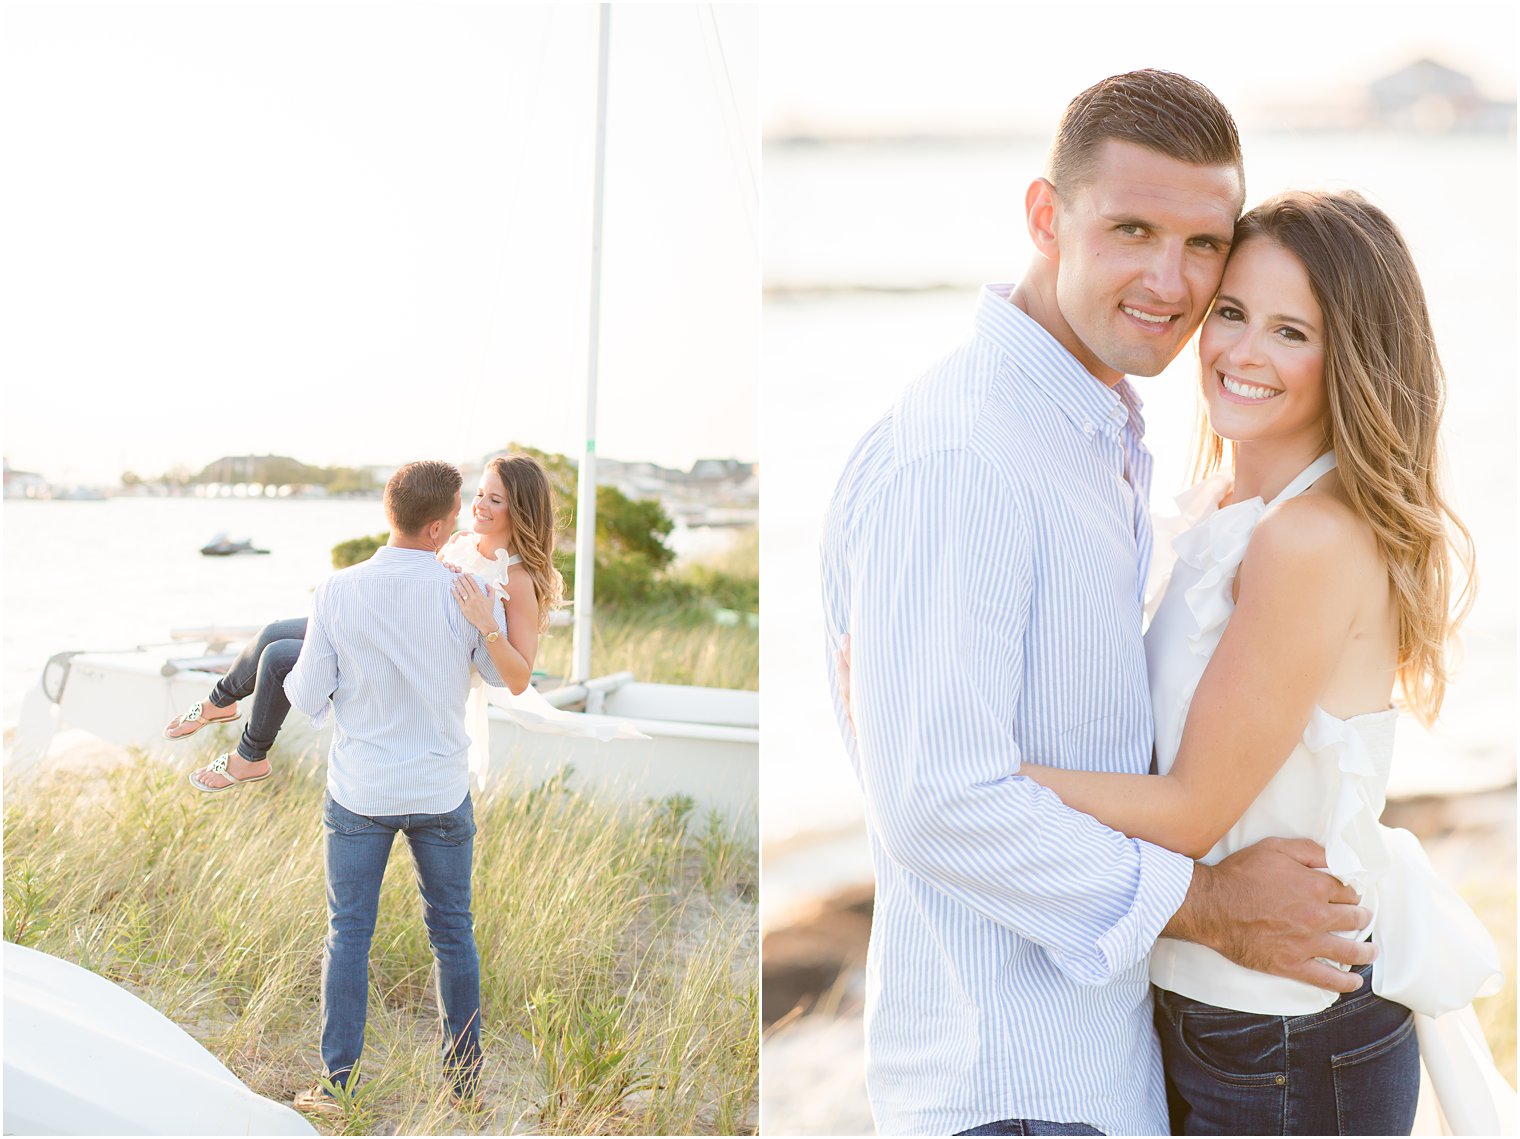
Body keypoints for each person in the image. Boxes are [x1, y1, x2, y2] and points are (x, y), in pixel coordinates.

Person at [820, 70, 1375, 1138]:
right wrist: (1209, 904)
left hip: (1089, 1061)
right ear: (1045, 217)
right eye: (1130, 228)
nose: (1168, 281)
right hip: (1012, 1088)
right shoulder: (965, 457)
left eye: (1201, 244)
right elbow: (936, 796)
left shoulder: (1088, 432)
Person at [1013, 191, 1504, 1134]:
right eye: (1231, 312)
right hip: (1222, 1008)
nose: (1241, 351)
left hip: (1285, 1038)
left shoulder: (1308, 540)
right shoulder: (1231, 515)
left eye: (1290, 332)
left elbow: (1194, 808)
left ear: (1349, 360)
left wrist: (981, 773)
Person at [281, 459, 506, 1118]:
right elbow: (498, 672)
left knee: (348, 934)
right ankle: (464, 1089)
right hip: (439, 788)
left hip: (361, 790)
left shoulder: (338, 589)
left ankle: (338, 1085)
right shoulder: (468, 591)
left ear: (390, 512)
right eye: (460, 511)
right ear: (438, 524)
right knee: (453, 934)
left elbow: (307, 694)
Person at [165, 452, 561, 792]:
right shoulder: (458, 540)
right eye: (479, 494)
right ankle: (218, 703)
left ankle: (250, 756)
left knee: (281, 656)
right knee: (273, 632)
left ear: (520, 510)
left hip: (430, 659)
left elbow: (518, 679)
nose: (480, 506)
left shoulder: (520, 579)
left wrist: (483, 621)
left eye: (496, 500)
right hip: (393, 626)